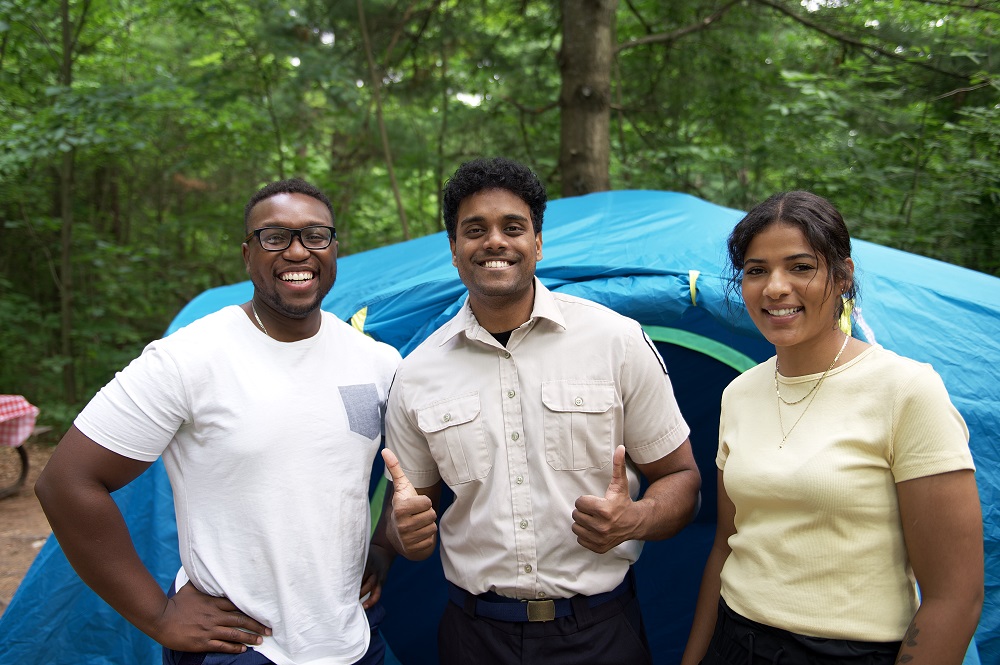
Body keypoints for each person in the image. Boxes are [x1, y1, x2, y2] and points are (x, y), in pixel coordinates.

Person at [35, 178, 402, 665]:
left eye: (315, 236)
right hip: (243, 649)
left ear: (334, 250)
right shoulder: (189, 358)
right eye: (275, 237)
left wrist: (381, 548)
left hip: (351, 639)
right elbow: (66, 483)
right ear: (248, 255)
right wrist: (159, 617)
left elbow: (409, 472)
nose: (298, 251)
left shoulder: (376, 362)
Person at [375, 157, 701, 665]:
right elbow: (407, 518)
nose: (495, 242)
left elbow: (683, 479)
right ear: (455, 251)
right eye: (474, 230)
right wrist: (403, 535)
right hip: (473, 639)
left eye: (513, 227)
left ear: (538, 243)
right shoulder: (416, 374)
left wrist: (635, 518)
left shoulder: (616, 341)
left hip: (600, 633)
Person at [680, 191, 983, 665]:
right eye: (756, 270)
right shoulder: (739, 393)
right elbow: (726, 545)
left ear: (843, 276)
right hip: (735, 642)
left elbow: (955, 596)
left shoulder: (906, 390)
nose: (775, 287)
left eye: (800, 267)